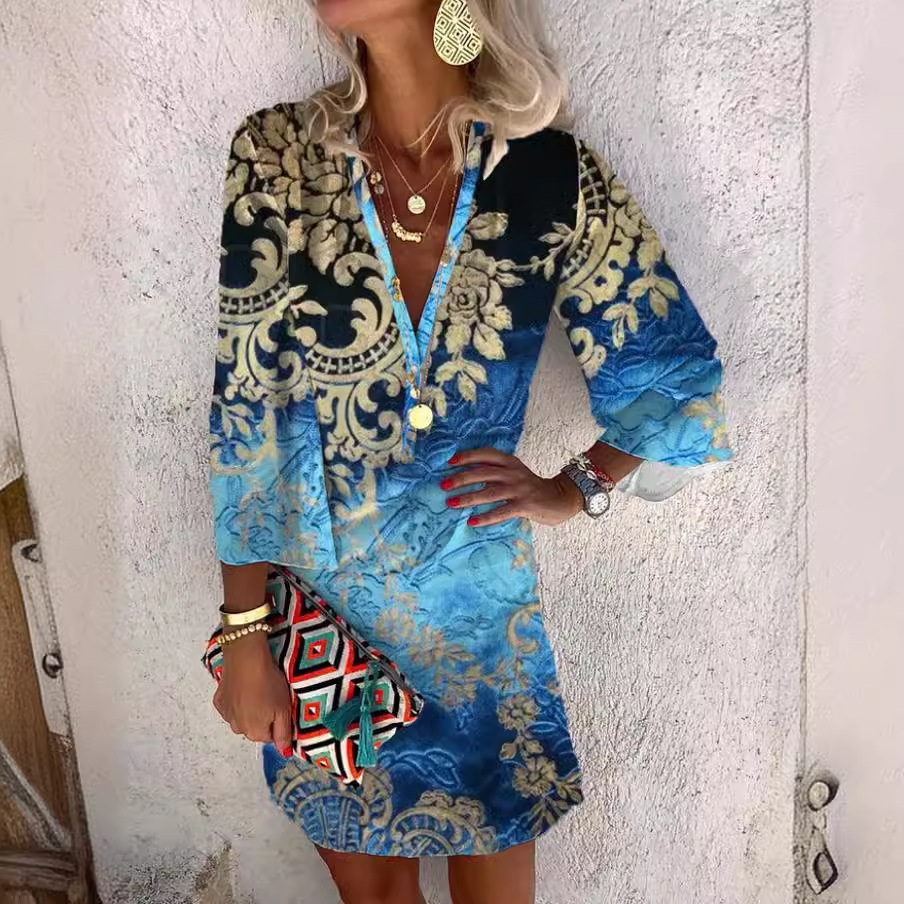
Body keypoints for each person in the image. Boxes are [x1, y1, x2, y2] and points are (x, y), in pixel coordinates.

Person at [208, 1, 732, 902]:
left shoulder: (546, 173)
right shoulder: (278, 157)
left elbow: (675, 374)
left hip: (481, 621)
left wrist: (577, 485)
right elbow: (246, 410)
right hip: (329, 614)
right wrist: (246, 632)